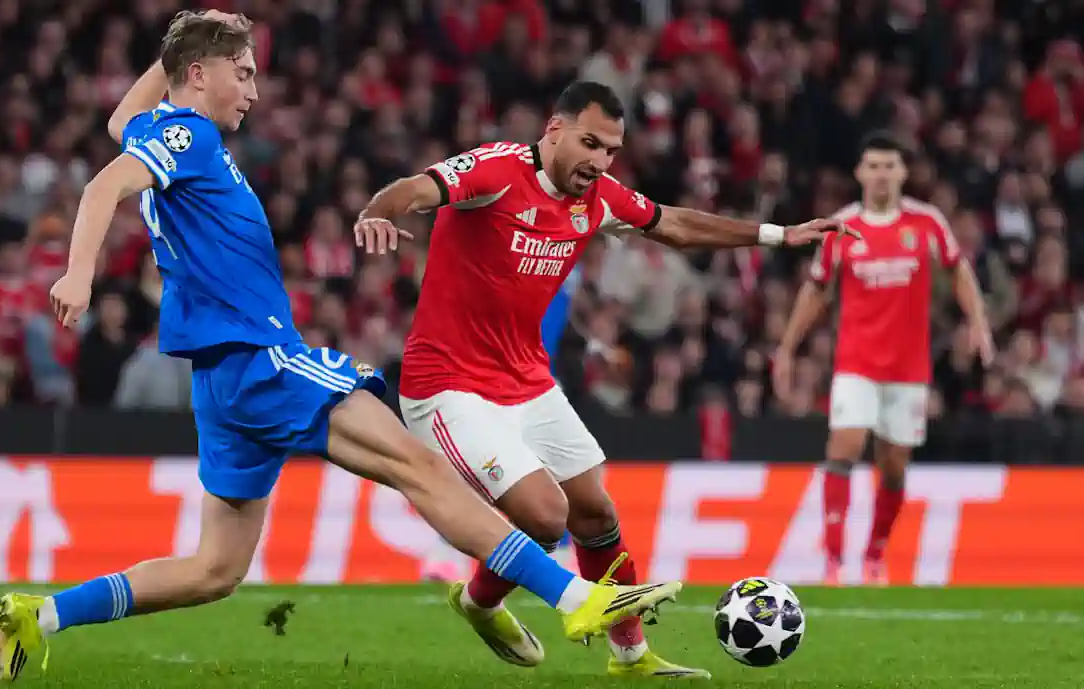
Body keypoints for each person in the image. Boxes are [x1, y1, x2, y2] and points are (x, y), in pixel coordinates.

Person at [0, 14, 684, 683]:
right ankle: (575, 599)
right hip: (262, 357)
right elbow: (104, 183)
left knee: (213, 570)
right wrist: (79, 272)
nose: (255, 93)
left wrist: (183, 41)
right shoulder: (191, 137)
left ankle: (38, 614)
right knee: (419, 464)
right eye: (245, 73)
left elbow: (118, 128)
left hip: (221, 378)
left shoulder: (163, 133)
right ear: (200, 75)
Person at [353, 80, 850, 678]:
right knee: (545, 516)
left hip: (527, 377)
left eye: (611, 150)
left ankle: (628, 655)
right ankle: (486, 601)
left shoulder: (600, 198)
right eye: (589, 143)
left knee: (595, 515)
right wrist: (377, 212)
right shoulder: (496, 170)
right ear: (554, 129)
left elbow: (674, 225)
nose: (599, 161)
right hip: (448, 387)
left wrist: (778, 234)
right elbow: (415, 189)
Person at [772, 132, 994, 586]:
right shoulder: (841, 225)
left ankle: (874, 555)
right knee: (846, 446)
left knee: (893, 467)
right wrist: (787, 348)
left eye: (889, 166)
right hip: (855, 362)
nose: (880, 174)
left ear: (902, 172)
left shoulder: (926, 223)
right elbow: (817, 289)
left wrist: (979, 324)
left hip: (909, 369)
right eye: (872, 166)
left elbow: (958, 271)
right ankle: (833, 563)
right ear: (859, 173)